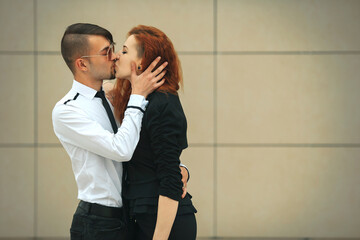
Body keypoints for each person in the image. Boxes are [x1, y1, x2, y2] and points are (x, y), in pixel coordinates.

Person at [52, 23, 188, 240]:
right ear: (82, 64)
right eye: (106, 52)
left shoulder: (117, 99)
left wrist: (179, 168)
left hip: (131, 216)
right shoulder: (68, 110)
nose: (114, 56)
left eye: (116, 49)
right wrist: (137, 96)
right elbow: (122, 149)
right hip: (98, 222)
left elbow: (147, 147)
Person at [111, 25, 197, 240]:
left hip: (164, 225)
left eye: (123, 51)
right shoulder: (137, 101)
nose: (116, 57)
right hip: (140, 215)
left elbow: (170, 178)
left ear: (142, 61)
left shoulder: (162, 103)